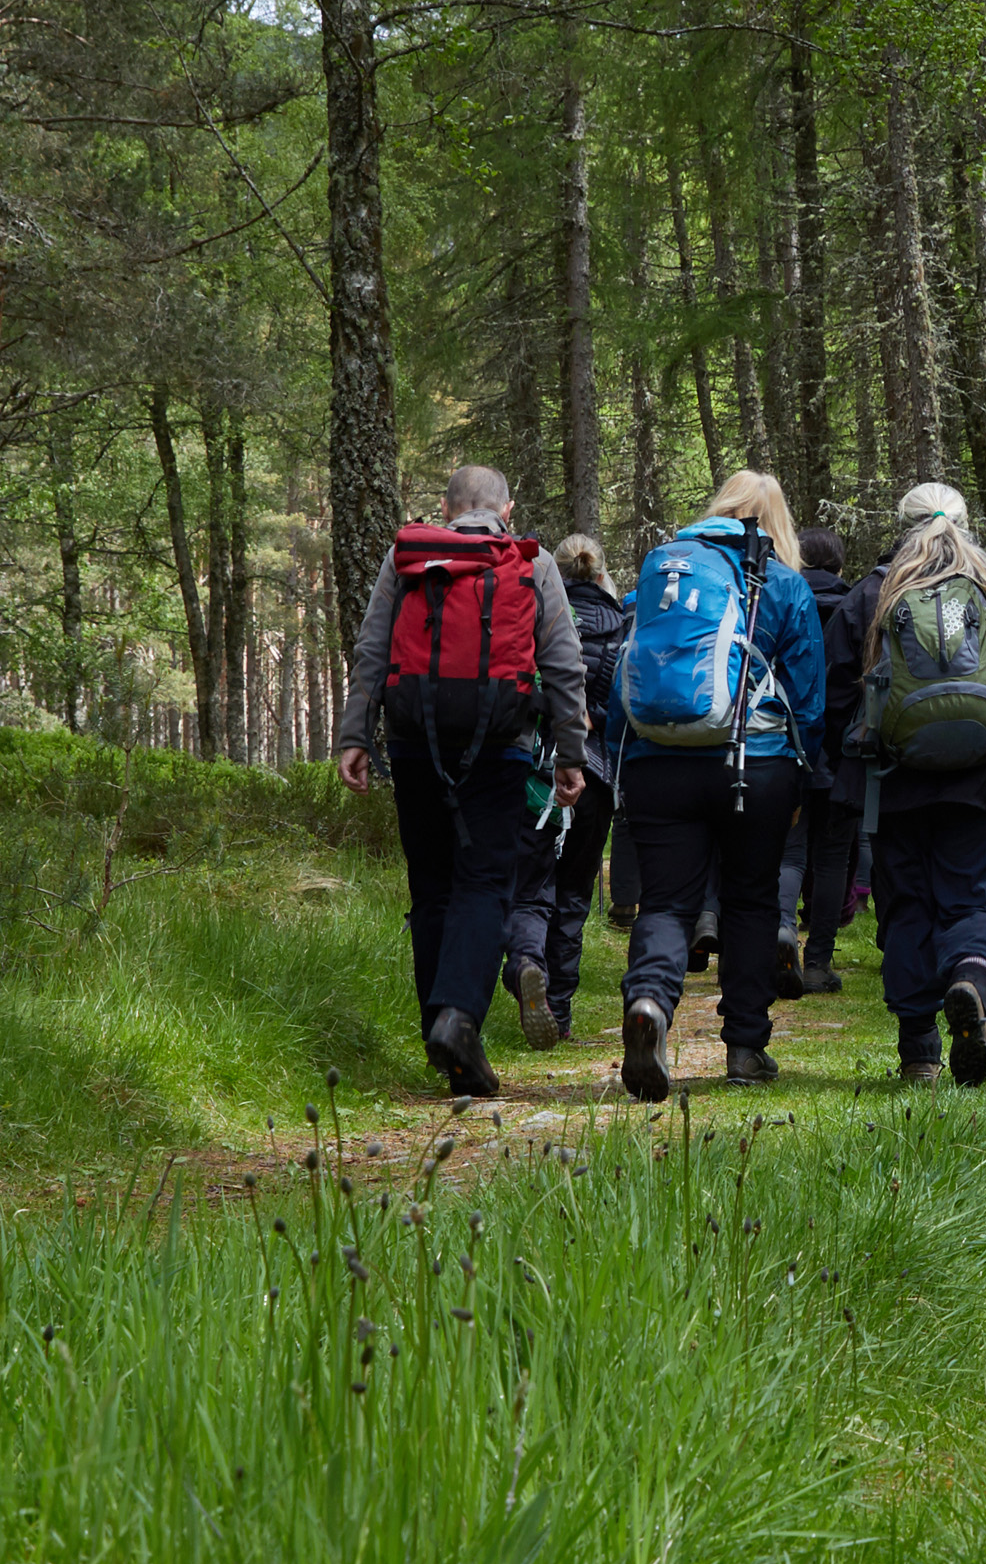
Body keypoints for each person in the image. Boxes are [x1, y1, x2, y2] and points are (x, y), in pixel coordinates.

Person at [331, 466, 587, 1102]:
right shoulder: (531, 562)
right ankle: (458, 1020)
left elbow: (372, 648)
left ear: (446, 507)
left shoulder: (407, 556)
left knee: (432, 887)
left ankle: (442, 1038)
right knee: (484, 882)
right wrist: (570, 753)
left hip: (415, 744)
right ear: (508, 505)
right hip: (499, 747)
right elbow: (561, 661)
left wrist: (355, 737)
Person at [607, 468, 832, 1102]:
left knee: (668, 902)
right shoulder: (784, 585)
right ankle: (745, 1048)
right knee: (752, 901)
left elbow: (624, 671)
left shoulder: (665, 576)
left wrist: (617, 758)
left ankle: (650, 1001)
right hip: (755, 766)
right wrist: (800, 774)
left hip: (658, 760)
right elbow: (809, 700)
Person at [847, 481, 986, 1087]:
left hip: (894, 786)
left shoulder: (874, 596)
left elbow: (834, 693)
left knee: (908, 907)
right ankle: (973, 981)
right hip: (985, 783)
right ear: (967, 522)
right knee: (980, 901)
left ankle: (919, 1055)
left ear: (902, 526)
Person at [510, 532, 627, 1046]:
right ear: (602, 572)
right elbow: (627, 705)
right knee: (576, 892)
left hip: (532, 771)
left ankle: (524, 965)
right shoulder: (622, 624)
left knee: (530, 886)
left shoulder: (533, 609)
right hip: (594, 774)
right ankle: (557, 1008)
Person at [789, 524, 870, 992]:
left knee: (790, 852)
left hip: (789, 746)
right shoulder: (856, 606)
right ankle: (817, 960)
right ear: (839, 566)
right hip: (841, 751)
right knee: (833, 856)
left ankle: (781, 932)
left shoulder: (782, 600)